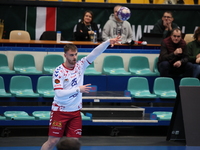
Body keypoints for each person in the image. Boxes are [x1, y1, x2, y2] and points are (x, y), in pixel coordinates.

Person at [40, 36, 121, 150]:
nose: (74, 57)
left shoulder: (80, 65)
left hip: (75, 111)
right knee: (53, 141)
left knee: (73, 142)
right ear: (65, 55)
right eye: (71, 55)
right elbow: (59, 94)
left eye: (76, 54)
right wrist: (78, 89)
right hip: (60, 111)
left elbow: (94, 53)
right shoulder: (59, 71)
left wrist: (108, 42)